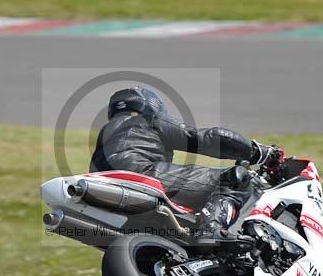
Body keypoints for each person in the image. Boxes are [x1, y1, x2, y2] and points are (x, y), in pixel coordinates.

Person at [90, 87, 284, 244]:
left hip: (103, 194)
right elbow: (206, 139)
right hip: (142, 175)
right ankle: (212, 228)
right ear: (150, 104)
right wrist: (258, 152)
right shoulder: (149, 119)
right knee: (236, 178)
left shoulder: (106, 133)